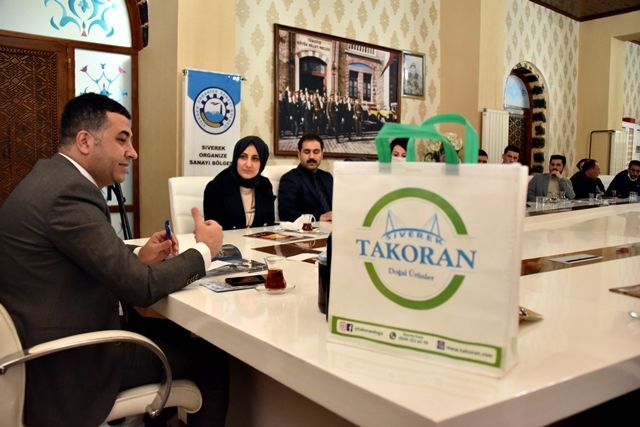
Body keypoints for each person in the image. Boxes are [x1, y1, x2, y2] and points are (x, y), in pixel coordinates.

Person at [0, 93, 228, 427]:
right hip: (69, 364)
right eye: (122, 140)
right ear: (84, 142)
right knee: (212, 358)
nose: (132, 152)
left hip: (49, 338)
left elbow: (82, 254)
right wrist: (205, 250)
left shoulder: (52, 178)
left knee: (181, 336)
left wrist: (138, 256)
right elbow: (142, 288)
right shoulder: (68, 193)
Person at [203, 136, 275, 230]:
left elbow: (269, 226)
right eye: (243, 157)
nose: (248, 164)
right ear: (236, 158)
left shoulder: (265, 185)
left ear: (262, 163)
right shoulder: (216, 187)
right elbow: (213, 231)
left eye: (255, 159)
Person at [278, 134, 333, 222]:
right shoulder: (289, 179)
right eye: (307, 152)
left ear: (322, 154)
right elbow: (285, 213)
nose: (311, 157)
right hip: (310, 228)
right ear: (299, 155)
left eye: (316, 152)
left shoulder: (328, 177)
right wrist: (318, 217)